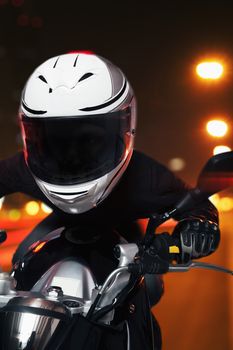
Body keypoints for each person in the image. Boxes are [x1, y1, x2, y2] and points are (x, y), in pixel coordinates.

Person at [0, 52, 220, 349]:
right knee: (18, 269)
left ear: (126, 130)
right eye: (53, 141)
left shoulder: (144, 176)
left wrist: (196, 228)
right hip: (55, 233)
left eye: (89, 139)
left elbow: (197, 206)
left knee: (149, 288)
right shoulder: (23, 167)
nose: (72, 157)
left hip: (128, 243)